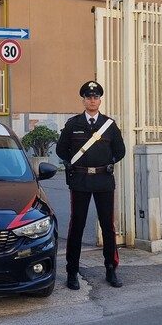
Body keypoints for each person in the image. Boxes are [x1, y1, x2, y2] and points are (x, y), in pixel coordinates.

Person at [55, 80, 126, 290]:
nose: (92, 100)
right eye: (88, 97)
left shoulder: (109, 125)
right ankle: (72, 271)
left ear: (100, 100)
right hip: (81, 181)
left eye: (95, 97)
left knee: (108, 227)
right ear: (83, 100)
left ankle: (111, 269)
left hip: (104, 180)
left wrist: (106, 161)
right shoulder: (73, 124)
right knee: (76, 226)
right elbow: (61, 150)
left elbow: (119, 151)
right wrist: (77, 164)